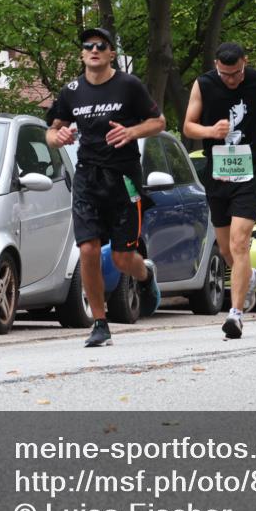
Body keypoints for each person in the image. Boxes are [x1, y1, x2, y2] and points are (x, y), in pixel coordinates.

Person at [46, 27, 166, 347]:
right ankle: (100, 322)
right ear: (82, 54)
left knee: (123, 259)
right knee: (87, 249)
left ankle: (145, 276)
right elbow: (52, 130)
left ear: (111, 53)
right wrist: (57, 137)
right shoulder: (71, 91)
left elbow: (159, 123)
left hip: (123, 178)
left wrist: (131, 132)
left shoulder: (129, 86)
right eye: (88, 46)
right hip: (87, 177)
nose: (94, 49)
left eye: (101, 45)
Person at [184, 42, 256, 338]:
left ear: (245, 62)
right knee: (227, 248)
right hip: (218, 174)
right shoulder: (204, 84)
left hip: (250, 172)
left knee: (240, 242)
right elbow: (188, 126)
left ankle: (235, 314)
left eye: (236, 73)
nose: (231, 80)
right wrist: (209, 132)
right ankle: (252, 276)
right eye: (225, 74)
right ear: (217, 66)